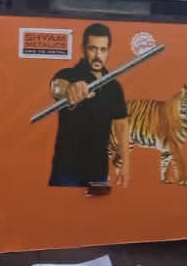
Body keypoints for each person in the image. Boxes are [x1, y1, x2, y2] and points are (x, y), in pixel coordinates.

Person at [47, 22, 130, 188]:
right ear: (83, 49)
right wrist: (69, 90)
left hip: (98, 172)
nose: (98, 55)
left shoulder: (114, 87)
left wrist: (125, 164)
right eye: (92, 48)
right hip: (67, 171)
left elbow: (121, 125)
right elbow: (56, 87)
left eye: (103, 49)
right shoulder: (68, 74)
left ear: (108, 51)